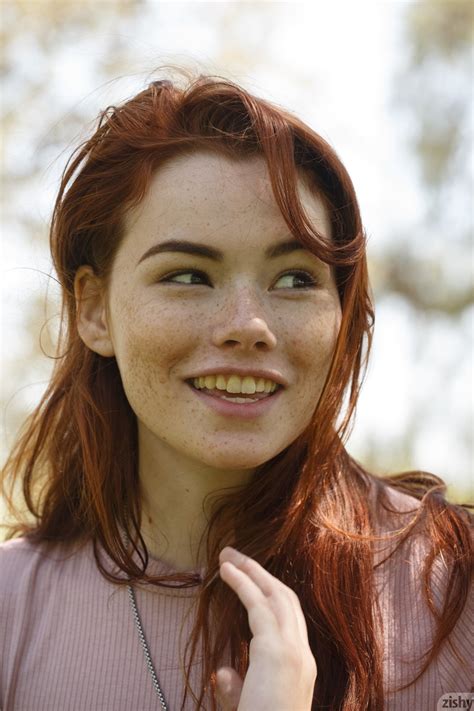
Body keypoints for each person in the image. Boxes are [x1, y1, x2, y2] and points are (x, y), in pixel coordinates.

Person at [0, 68, 472, 711]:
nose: (248, 326)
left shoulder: (456, 592)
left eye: (295, 279)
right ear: (94, 310)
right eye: (189, 275)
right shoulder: (11, 611)